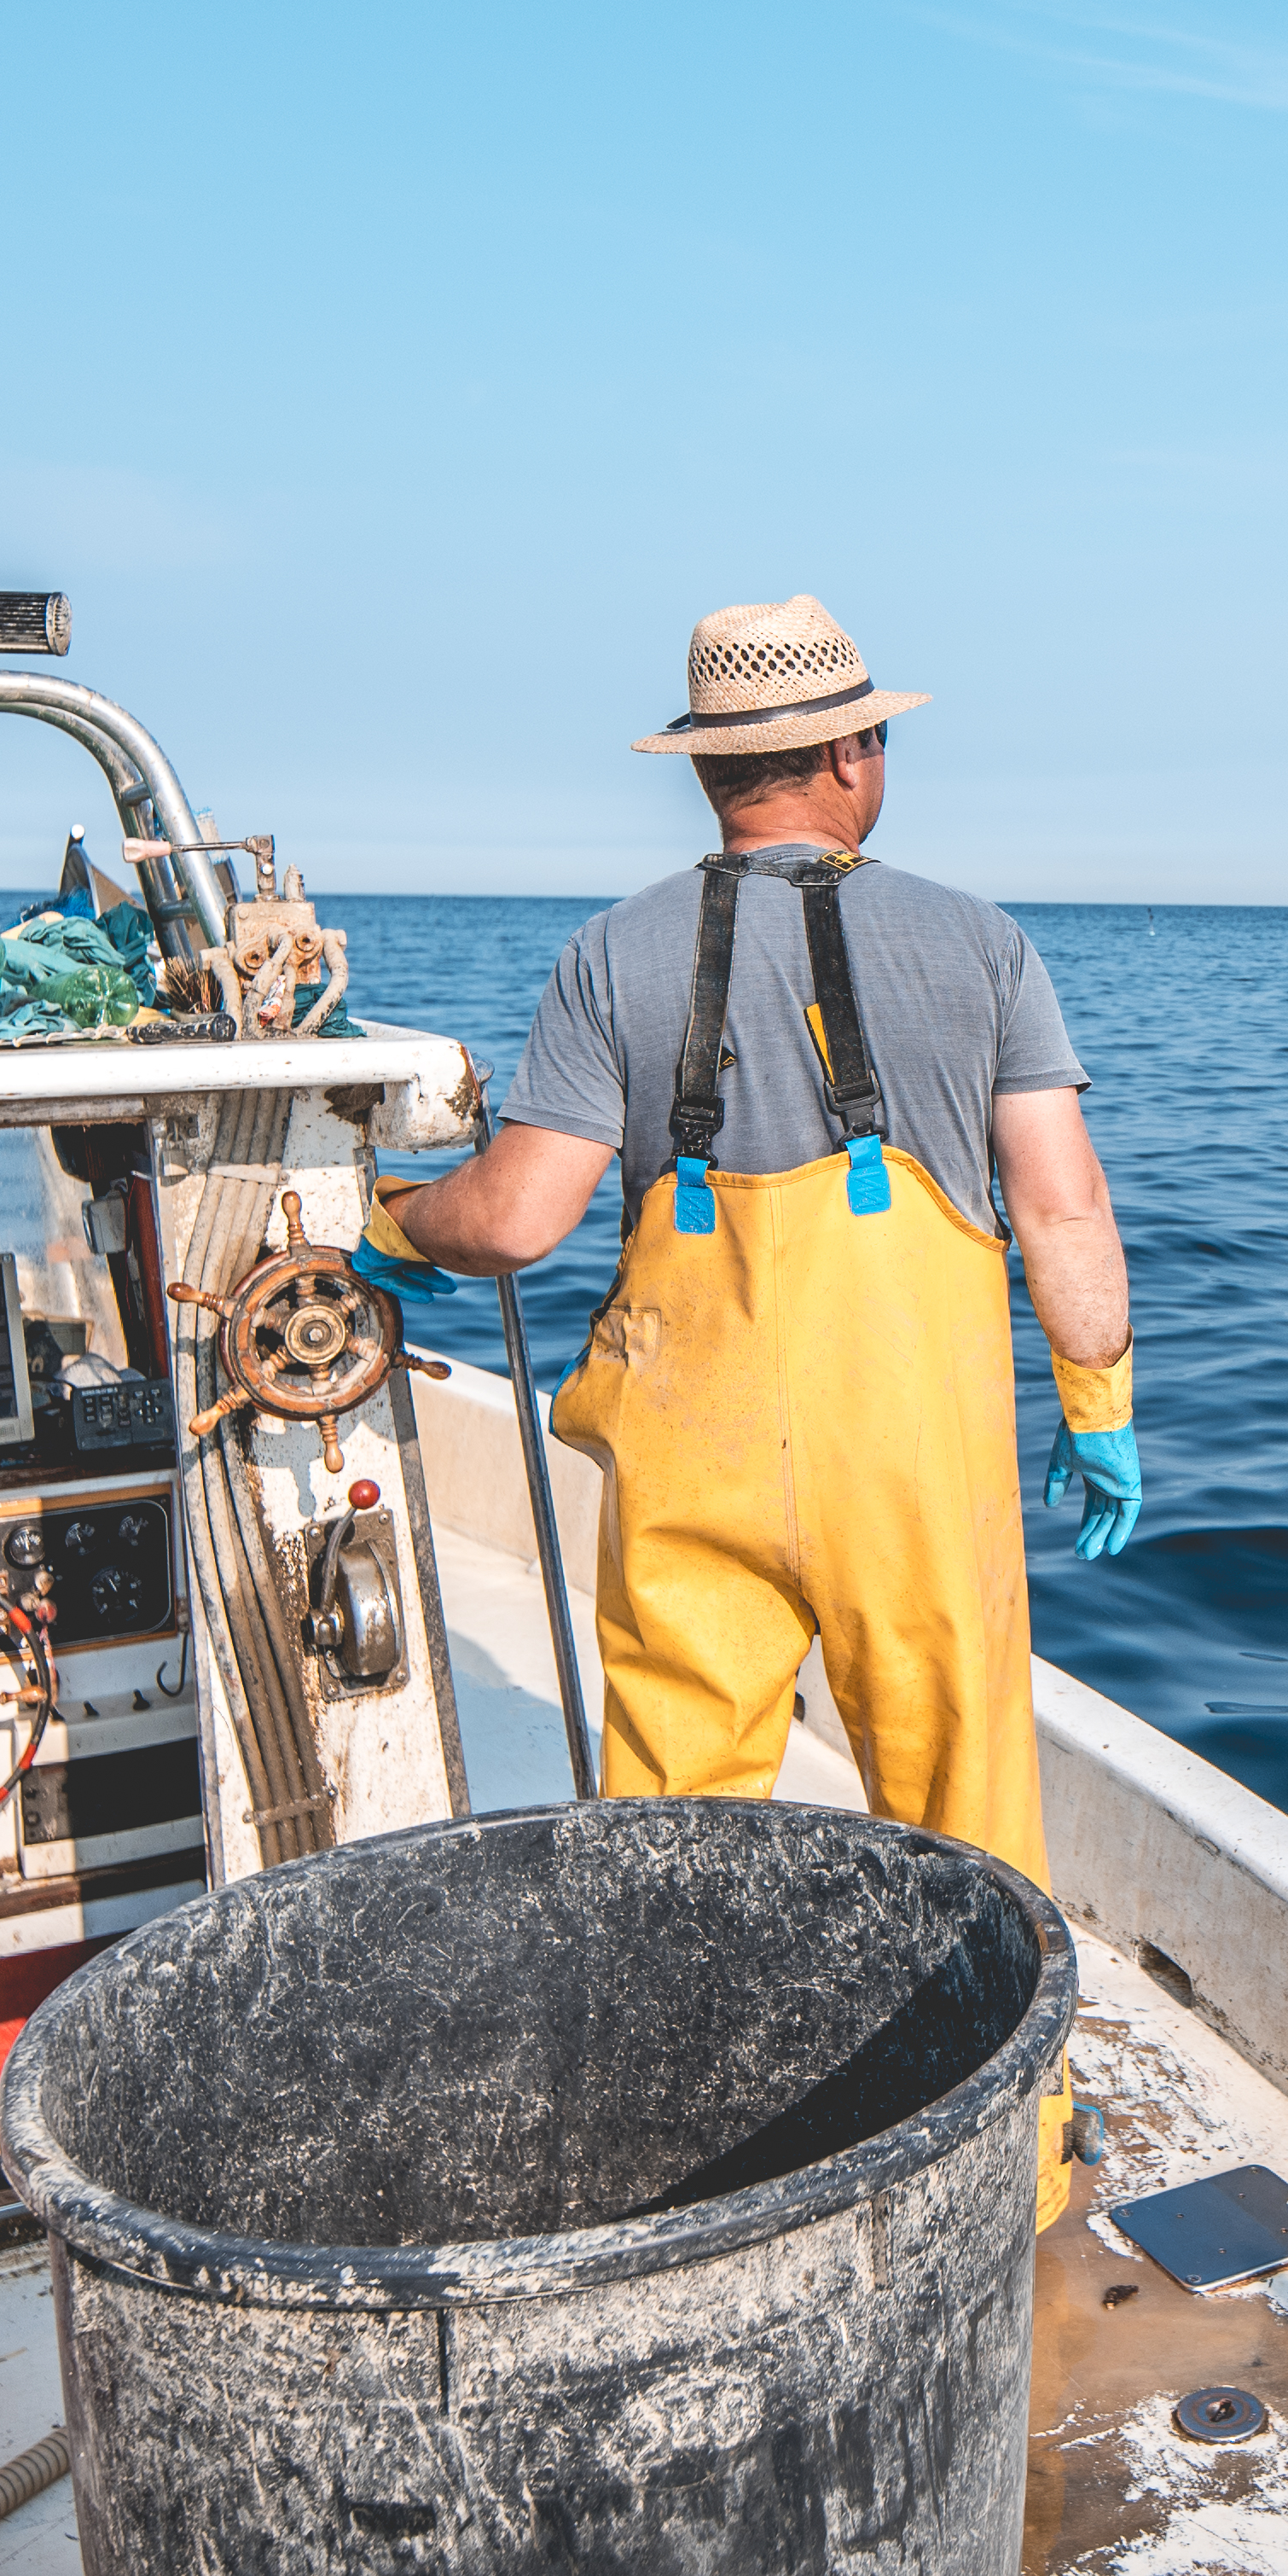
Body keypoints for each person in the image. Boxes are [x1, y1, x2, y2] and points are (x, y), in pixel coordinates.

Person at [360, 596, 1135, 2216]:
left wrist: (385, 1232)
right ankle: (1013, 2166)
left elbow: (513, 1219)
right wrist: (1099, 1397)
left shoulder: (609, 955)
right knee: (961, 1805)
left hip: (688, 1453)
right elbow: (1059, 1207)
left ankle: (685, 2171)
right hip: (912, 1465)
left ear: (712, 773)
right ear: (850, 755)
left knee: (674, 1825)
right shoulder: (981, 942)